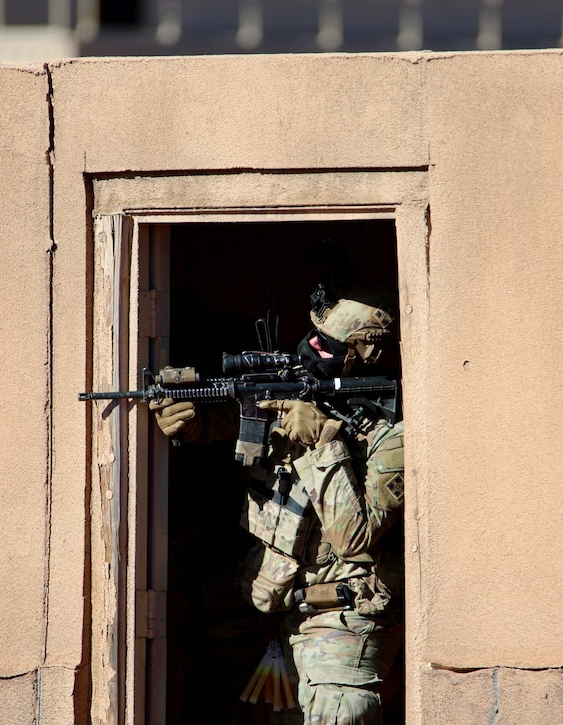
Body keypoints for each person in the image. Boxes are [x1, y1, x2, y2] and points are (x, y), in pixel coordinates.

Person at [150, 288, 405, 725]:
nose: (314, 348)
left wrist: (320, 445)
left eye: (331, 345)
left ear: (360, 357)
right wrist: (189, 421)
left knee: (340, 716)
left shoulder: (392, 434)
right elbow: (225, 419)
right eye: (314, 336)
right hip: (268, 602)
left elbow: (354, 539)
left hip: (344, 614)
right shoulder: (289, 395)